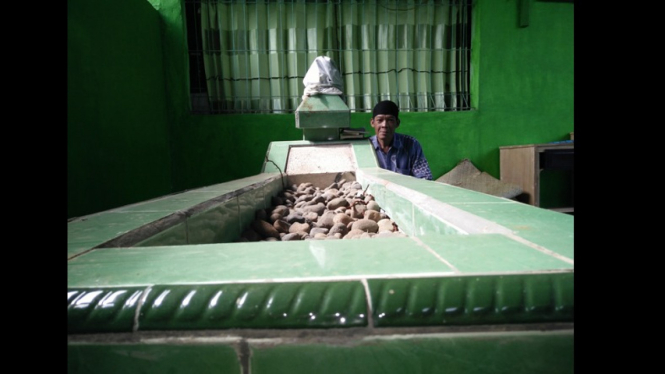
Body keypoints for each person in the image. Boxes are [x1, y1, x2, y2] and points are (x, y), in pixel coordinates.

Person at [368, 100, 433, 180]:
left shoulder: (411, 145)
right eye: (380, 120)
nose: (384, 125)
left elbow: (425, 178)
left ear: (397, 123)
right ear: (372, 123)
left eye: (390, 120)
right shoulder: (365, 147)